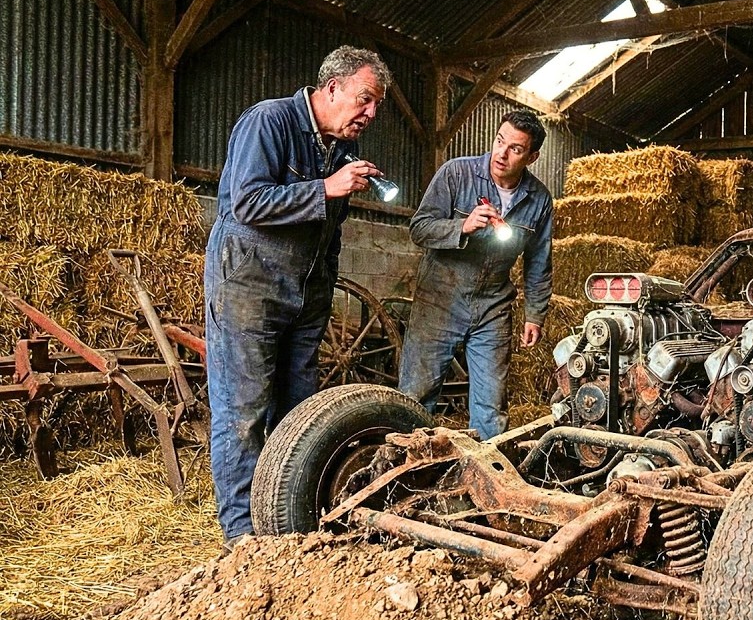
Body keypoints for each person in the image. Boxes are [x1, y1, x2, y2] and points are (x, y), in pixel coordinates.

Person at [204, 46, 392, 545]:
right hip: (249, 287)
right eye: (365, 99)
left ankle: (286, 521)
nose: (371, 114)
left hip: (306, 296)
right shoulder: (269, 121)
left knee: (295, 410)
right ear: (332, 88)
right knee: (243, 412)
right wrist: (325, 188)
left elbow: (327, 234)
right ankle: (244, 539)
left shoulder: (337, 150)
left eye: (376, 106)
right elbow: (244, 201)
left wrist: (322, 290)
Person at [399, 111, 553, 440]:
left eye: (515, 149)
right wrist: (462, 226)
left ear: (532, 156)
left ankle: (485, 481)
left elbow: (539, 260)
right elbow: (419, 228)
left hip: (493, 306)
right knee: (416, 397)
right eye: (499, 141)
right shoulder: (456, 173)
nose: (501, 153)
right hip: (439, 300)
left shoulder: (539, 199)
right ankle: (407, 476)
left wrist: (535, 314)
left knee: (491, 406)